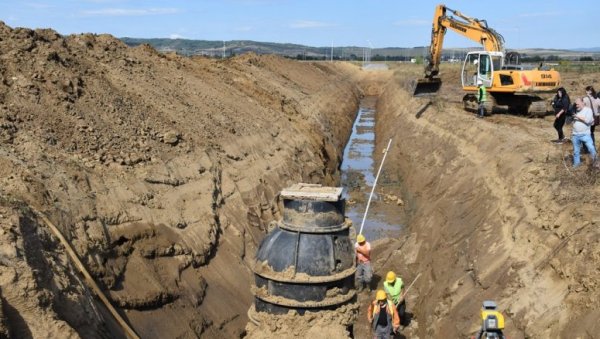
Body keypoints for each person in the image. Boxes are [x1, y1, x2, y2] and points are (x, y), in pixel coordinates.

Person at [571, 97, 597, 168]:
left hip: (585, 134)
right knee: (576, 152)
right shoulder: (575, 110)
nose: (577, 106)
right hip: (575, 134)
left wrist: (577, 117)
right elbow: (572, 120)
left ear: (583, 103)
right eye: (576, 105)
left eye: (578, 104)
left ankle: (595, 163)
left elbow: (588, 120)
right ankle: (576, 165)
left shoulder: (588, 110)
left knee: (591, 148)